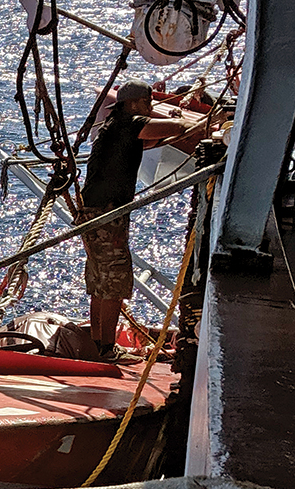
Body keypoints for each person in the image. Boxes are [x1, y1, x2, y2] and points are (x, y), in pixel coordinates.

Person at [76, 82, 207, 356]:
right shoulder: (130, 123)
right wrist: (196, 123)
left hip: (93, 213)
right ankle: (108, 350)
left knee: (100, 282)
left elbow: (152, 140)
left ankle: (98, 344)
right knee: (115, 282)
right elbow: (174, 128)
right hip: (108, 215)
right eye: (148, 103)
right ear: (135, 103)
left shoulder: (112, 127)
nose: (150, 107)